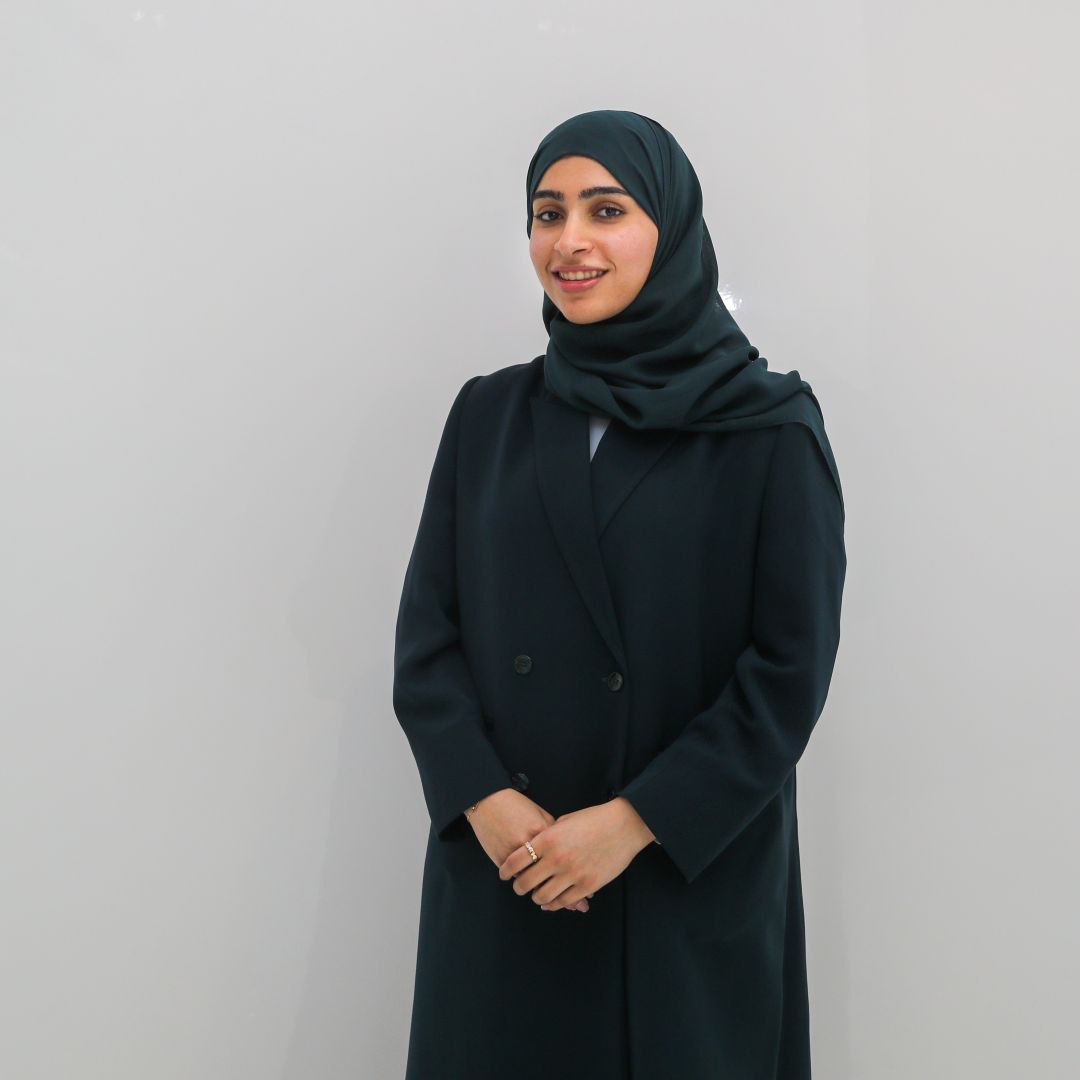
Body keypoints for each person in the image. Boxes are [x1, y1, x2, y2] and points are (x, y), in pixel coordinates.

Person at [392, 108, 847, 1079]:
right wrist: (482, 798)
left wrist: (635, 821)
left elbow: (788, 672)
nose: (570, 241)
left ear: (669, 227)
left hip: (680, 872)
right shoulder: (488, 413)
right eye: (547, 213)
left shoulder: (768, 427)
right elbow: (428, 638)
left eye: (607, 210)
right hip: (509, 868)